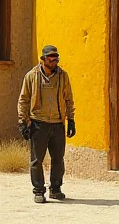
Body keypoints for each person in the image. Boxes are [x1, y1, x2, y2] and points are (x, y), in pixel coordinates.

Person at [17, 44, 75, 203]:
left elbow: (68, 99)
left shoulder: (63, 76)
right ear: (43, 59)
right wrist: (22, 121)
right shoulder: (31, 76)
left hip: (57, 123)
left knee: (58, 159)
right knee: (37, 161)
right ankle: (38, 191)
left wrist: (71, 120)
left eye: (56, 58)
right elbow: (24, 100)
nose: (54, 61)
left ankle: (55, 189)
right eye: (51, 58)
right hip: (38, 123)